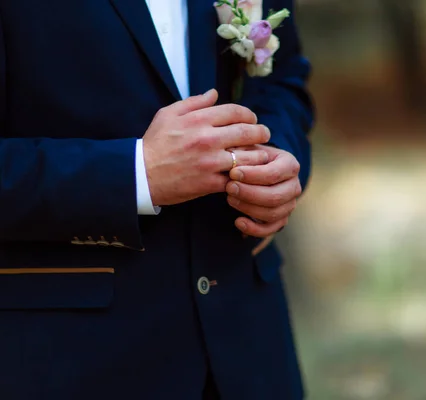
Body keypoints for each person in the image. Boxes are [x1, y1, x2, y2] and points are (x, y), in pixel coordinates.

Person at [0, 0, 313, 398]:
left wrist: (275, 159)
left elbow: (282, 79)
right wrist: (134, 174)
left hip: (250, 345)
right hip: (71, 356)